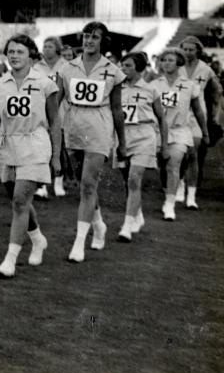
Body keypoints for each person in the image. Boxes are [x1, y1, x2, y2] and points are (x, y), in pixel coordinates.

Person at [0, 35, 60, 278]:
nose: (14, 56)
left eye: (20, 51)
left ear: (31, 55)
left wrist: (55, 157)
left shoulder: (45, 84)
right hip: (8, 146)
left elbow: (55, 121)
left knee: (20, 201)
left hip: (35, 144)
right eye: (10, 51)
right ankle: (37, 238)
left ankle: (9, 260)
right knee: (18, 198)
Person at [55, 21, 126, 263]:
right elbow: (55, 102)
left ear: (102, 41)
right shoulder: (67, 68)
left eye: (95, 37)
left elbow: (117, 109)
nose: (89, 41)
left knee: (88, 184)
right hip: (73, 127)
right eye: (86, 36)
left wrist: (122, 142)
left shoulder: (113, 70)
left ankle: (78, 243)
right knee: (83, 184)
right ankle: (98, 224)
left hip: (99, 126)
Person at [150, 47, 209, 221]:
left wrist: (204, 132)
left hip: (180, 130)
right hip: (158, 131)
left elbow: (198, 111)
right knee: (163, 165)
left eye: (170, 60)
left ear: (179, 63)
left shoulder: (190, 85)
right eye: (163, 60)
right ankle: (173, 188)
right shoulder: (154, 85)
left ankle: (169, 205)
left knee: (173, 165)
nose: (166, 63)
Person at [115, 52, 166, 241]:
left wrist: (164, 144)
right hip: (122, 137)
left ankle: (126, 227)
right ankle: (138, 215)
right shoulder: (116, 88)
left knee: (134, 179)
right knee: (127, 181)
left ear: (139, 68)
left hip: (144, 135)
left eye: (127, 66)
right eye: (122, 65)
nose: (123, 69)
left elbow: (161, 118)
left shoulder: (150, 90)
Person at [178, 36, 222, 208]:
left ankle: (191, 196)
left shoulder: (206, 70)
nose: (188, 52)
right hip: (178, 115)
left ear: (198, 51)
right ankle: (179, 187)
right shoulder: (176, 67)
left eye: (191, 49)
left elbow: (216, 92)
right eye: (185, 49)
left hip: (198, 115)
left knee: (193, 154)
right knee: (178, 154)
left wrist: (214, 116)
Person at [32, 36, 72, 198]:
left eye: (49, 46)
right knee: (41, 147)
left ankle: (58, 182)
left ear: (57, 49)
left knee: (59, 147)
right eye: (44, 46)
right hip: (40, 110)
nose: (46, 49)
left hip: (61, 110)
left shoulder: (66, 66)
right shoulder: (36, 67)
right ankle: (41, 184)